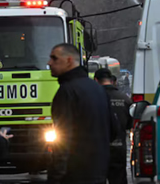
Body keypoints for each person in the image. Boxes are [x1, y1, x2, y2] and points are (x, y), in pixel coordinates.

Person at [47, 44, 117, 184]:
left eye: (54, 58)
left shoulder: (67, 92)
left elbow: (62, 140)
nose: (49, 63)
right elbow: (114, 130)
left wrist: (55, 177)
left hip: (74, 175)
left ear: (69, 60)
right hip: (98, 172)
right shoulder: (98, 89)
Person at [95, 68, 132, 184]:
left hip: (97, 149)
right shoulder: (124, 99)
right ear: (111, 80)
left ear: (96, 80)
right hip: (118, 148)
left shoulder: (92, 98)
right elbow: (129, 124)